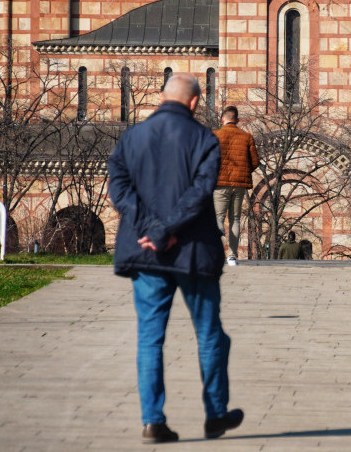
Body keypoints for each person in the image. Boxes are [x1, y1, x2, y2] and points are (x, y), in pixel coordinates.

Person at [107, 73, 244, 444]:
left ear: (161, 98)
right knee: (209, 334)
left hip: (145, 252)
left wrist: (151, 229)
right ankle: (215, 414)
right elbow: (201, 193)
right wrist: (166, 229)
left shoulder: (132, 137)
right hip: (193, 252)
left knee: (150, 339)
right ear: (195, 102)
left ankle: (153, 421)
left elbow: (118, 188)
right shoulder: (204, 140)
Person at [213, 105, 259, 265]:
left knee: (218, 217)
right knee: (235, 219)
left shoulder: (215, 136)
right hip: (239, 184)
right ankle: (232, 256)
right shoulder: (246, 137)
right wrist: (243, 171)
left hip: (219, 184)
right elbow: (255, 162)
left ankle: (219, 250)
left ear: (222, 119)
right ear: (237, 120)